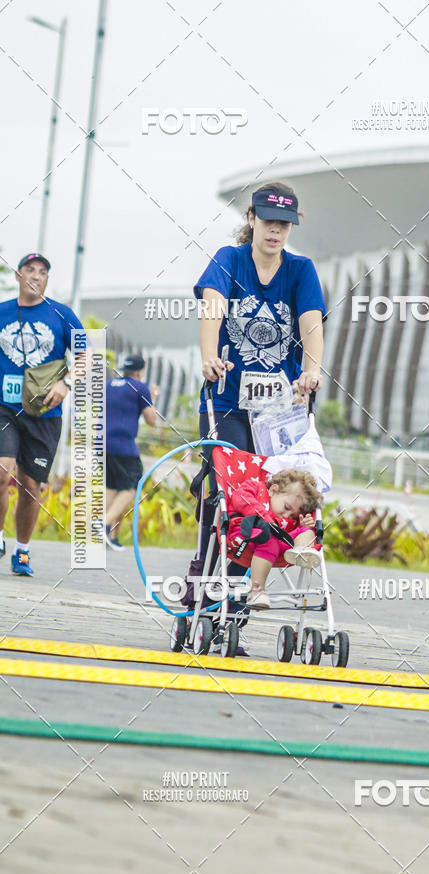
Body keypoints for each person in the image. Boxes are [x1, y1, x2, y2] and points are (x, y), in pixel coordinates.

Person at [182, 181, 327, 607]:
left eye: (283, 224)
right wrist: (210, 356)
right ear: (251, 219)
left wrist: (311, 370)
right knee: (225, 493)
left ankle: (233, 600)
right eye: (267, 221)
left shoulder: (301, 271)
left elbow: (311, 323)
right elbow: (212, 309)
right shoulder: (229, 260)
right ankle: (201, 574)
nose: (275, 231)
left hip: (277, 411)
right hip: (228, 401)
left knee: (263, 500)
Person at [0, 252, 85, 576]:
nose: (35, 276)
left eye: (42, 272)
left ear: (47, 279)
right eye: (29, 270)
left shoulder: (62, 314)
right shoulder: (3, 311)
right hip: (5, 407)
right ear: (19, 275)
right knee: (2, 472)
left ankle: (22, 550)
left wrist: (66, 383)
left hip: (45, 413)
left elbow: (85, 356)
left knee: (30, 485)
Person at [229, 469, 322, 610]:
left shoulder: (287, 517)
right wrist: (265, 518)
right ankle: (257, 590)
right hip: (248, 533)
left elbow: (291, 531)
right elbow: (240, 497)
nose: (287, 515)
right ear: (273, 490)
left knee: (306, 530)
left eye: (293, 515)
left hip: (282, 543)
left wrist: (303, 524)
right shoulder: (256, 488)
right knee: (269, 538)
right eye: (287, 507)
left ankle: (302, 550)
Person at [104, 354, 159, 550]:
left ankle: (110, 537)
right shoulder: (140, 387)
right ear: (140, 372)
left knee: (112, 487)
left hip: (102, 444)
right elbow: (151, 420)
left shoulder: (109, 385)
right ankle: (104, 523)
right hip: (124, 446)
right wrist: (153, 397)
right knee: (129, 488)